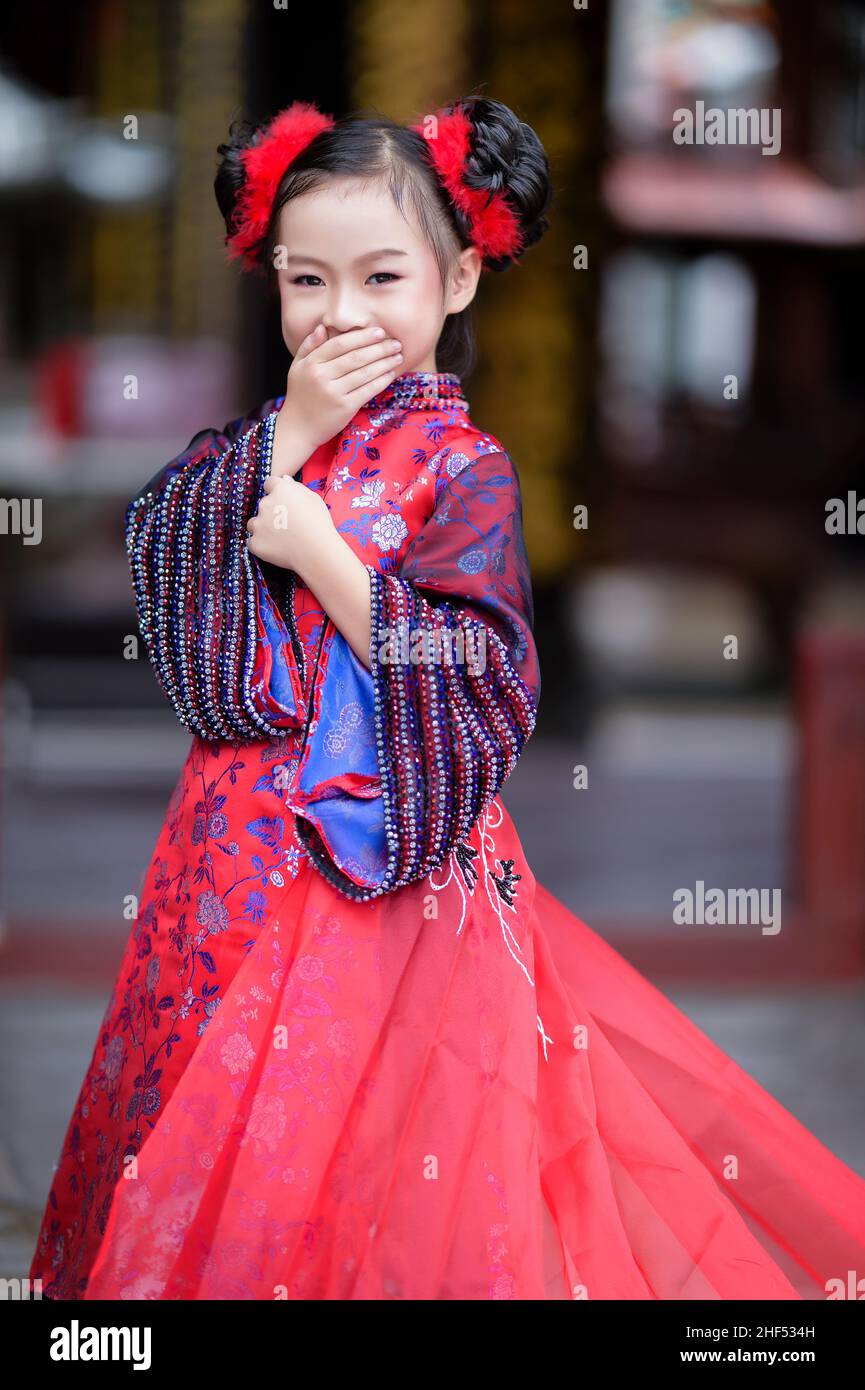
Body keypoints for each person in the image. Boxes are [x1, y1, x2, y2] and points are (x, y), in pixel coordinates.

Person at [30, 95, 865, 1301]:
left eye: (380, 277)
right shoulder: (256, 443)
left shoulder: (464, 470)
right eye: (304, 280)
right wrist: (286, 441)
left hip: (383, 878)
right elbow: (171, 576)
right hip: (224, 859)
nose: (340, 314)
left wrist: (324, 555)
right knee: (192, 1126)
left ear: (458, 278)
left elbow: (480, 671)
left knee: (367, 1153)